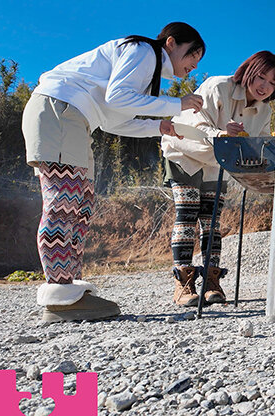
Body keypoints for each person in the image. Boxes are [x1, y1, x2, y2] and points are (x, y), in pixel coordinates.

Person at [22, 22, 206, 323]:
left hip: (76, 119)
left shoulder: (148, 72)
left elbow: (113, 121)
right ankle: (59, 297)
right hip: (61, 110)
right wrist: (177, 104)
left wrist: (159, 126)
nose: (194, 65)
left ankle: (71, 292)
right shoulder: (143, 50)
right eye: (192, 55)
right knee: (63, 204)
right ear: (171, 43)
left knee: (80, 205)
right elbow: (117, 97)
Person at [160, 50, 275, 307]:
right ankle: (183, 283)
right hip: (184, 151)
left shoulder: (265, 110)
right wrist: (222, 133)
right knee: (187, 212)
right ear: (248, 71)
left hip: (217, 163)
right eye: (261, 77)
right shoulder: (218, 86)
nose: (265, 86)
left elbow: (256, 145)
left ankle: (211, 281)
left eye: (272, 82)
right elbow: (197, 124)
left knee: (212, 220)